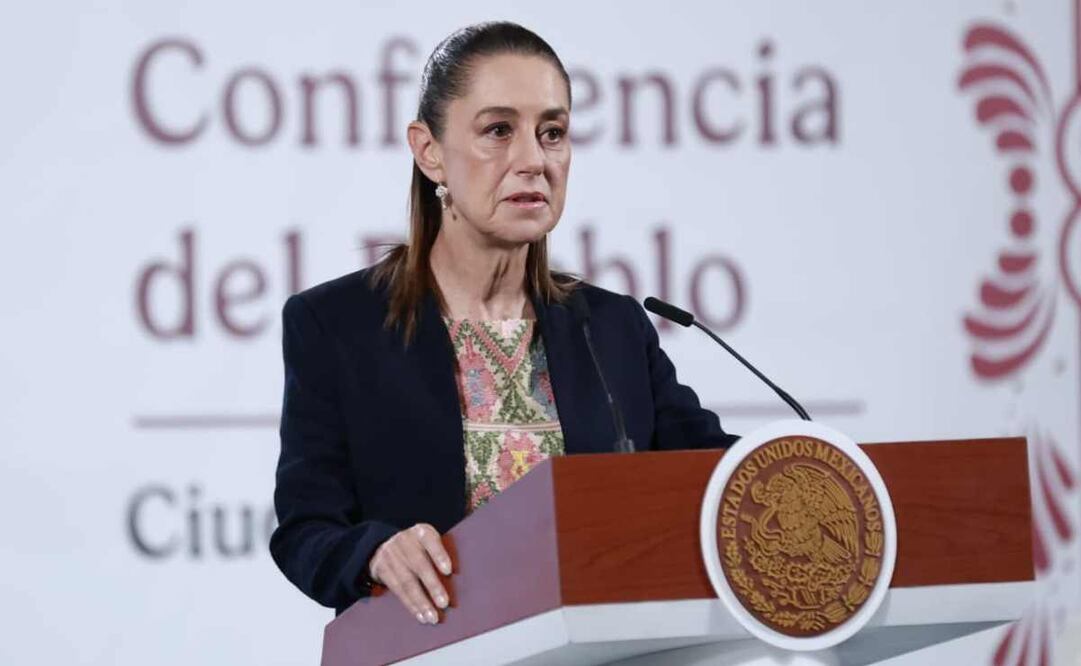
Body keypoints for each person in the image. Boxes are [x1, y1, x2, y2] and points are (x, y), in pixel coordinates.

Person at [269, 21, 737, 628]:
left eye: (552, 133)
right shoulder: (337, 326)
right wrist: (374, 553)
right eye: (498, 131)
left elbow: (718, 477)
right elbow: (307, 530)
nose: (533, 160)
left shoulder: (613, 329)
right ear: (428, 150)